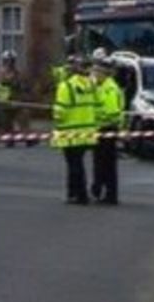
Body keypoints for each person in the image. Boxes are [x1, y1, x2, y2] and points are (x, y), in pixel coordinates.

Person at [51, 56, 99, 205]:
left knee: (73, 163)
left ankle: (78, 194)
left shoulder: (66, 86)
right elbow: (96, 106)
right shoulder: (92, 85)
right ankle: (76, 193)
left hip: (69, 131)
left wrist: (56, 120)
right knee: (78, 162)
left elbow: (60, 112)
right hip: (88, 131)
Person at [91, 55, 125, 205]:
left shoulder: (109, 88)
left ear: (104, 73)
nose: (94, 74)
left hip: (107, 129)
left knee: (106, 164)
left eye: (97, 72)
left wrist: (98, 118)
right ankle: (103, 191)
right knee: (102, 163)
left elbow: (111, 112)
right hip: (102, 129)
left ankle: (110, 195)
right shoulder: (102, 87)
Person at [0, 50, 25, 147]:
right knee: (6, 122)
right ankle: (9, 140)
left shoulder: (17, 72)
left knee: (22, 119)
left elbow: (19, 84)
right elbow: (2, 82)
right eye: (8, 60)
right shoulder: (1, 72)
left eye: (12, 61)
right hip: (5, 101)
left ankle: (28, 138)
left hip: (16, 99)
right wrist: (11, 81)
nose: (10, 63)